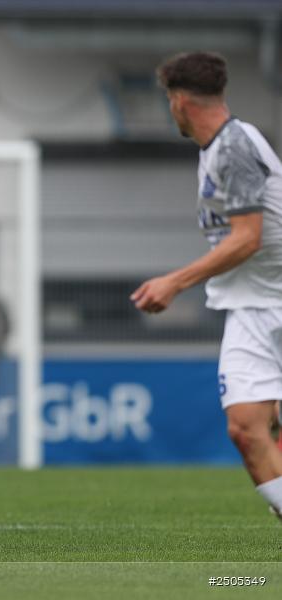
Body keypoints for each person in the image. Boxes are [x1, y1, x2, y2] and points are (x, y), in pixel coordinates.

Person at [132, 52, 282, 522]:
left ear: (178, 101)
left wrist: (174, 282)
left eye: (168, 101)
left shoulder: (234, 146)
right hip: (250, 307)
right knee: (245, 429)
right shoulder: (215, 149)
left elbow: (248, 238)